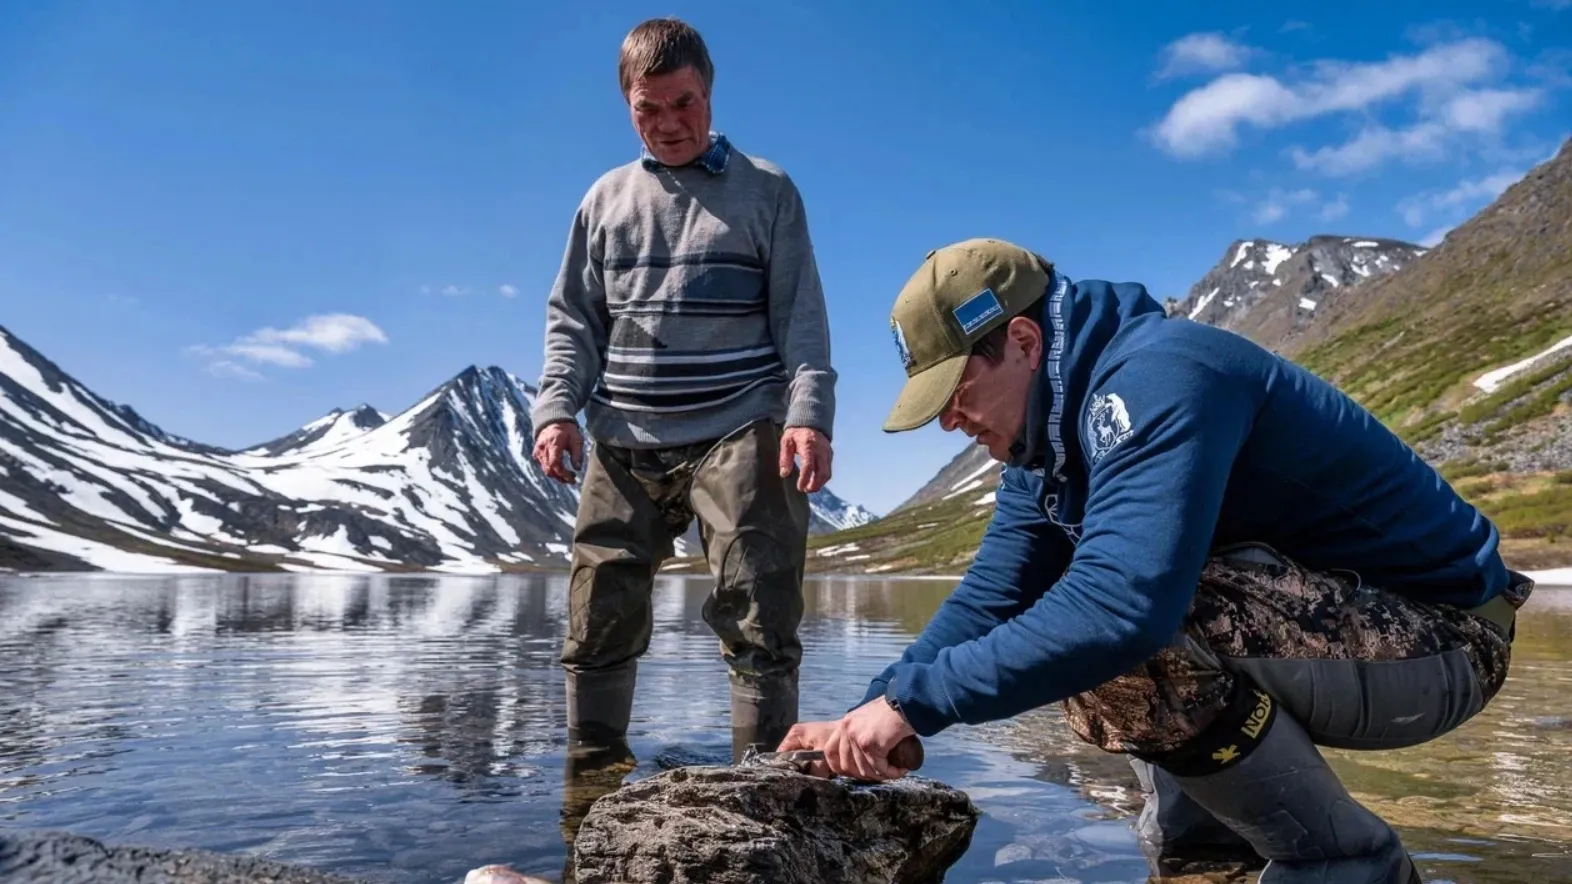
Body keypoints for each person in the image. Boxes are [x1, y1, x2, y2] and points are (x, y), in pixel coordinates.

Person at [778, 237, 1532, 884]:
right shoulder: (1045, 448)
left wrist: (916, 705)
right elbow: (990, 599)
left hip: (1447, 641)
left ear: (1024, 343)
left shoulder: (1159, 375)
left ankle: (1346, 867)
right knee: (1093, 626)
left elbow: (1120, 609)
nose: (948, 420)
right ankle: (1210, 860)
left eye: (955, 391)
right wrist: (871, 709)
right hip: (1351, 637)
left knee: (1115, 640)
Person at [530, 17, 836, 768]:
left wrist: (808, 416)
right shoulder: (604, 200)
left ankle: (763, 790)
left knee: (760, 603)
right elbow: (573, 318)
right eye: (649, 109)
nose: (669, 124)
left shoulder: (766, 191)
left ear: (710, 93)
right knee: (596, 612)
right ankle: (588, 798)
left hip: (740, 425)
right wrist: (556, 409)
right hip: (624, 433)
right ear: (627, 106)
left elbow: (802, 317)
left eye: (685, 103)